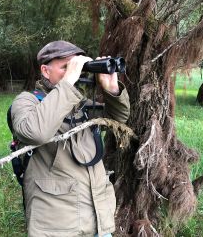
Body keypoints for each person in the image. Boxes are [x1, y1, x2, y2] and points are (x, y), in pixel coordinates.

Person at [10, 41, 130, 237]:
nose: (73, 72)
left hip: (99, 218)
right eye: (65, 66)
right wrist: (68, 82)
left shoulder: (80, 105)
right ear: (45, 70)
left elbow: (117, 120)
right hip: (57, 224)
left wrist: (112, 89)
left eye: (75, 66)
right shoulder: (27, 101)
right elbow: (35, 132)